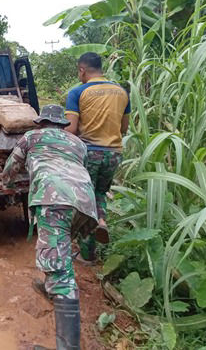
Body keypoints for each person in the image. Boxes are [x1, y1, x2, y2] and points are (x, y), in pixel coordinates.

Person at [3, 104, 98, 350]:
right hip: (85, 202)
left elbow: (12, 166)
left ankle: (67, 347)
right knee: (60, 253)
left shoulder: (32, 136)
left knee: (60, 270)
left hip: (53, 199)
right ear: (62, 125)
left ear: (42, 122)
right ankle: (50, 287)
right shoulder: (77, 143)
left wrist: (8, 185)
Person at [65, 52, 130, 264]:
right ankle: (101, 220)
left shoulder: (77, 92)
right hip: (114, 154)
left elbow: (71, 129)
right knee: (100, 193)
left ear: (82, 70)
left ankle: (85, 253)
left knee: (84, 200)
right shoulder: (122, 92)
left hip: (89, 152)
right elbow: (124, 128)